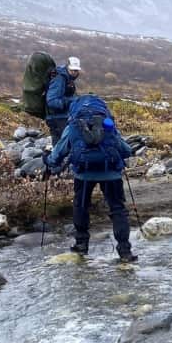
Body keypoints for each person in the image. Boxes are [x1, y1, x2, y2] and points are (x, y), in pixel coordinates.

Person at [44, 97, 135, 262]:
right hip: (111, 174)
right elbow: (126, 150)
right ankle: (125, 252)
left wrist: (47, 160)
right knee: (118, 210)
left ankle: (81, 246)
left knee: (81, 206)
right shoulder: (108, 125)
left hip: (83, 174)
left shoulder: (73, 126)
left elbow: (59, 153)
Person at [45, 56, 81, 144]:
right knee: (61, 145)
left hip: (62, 116)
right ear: (67, 67)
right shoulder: (60, 79)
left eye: (76, 70)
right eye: (72, 70)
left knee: (62, 145)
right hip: (56, 118)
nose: (74, 72)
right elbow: (51, 101)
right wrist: (72, 101)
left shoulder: (68, 78)